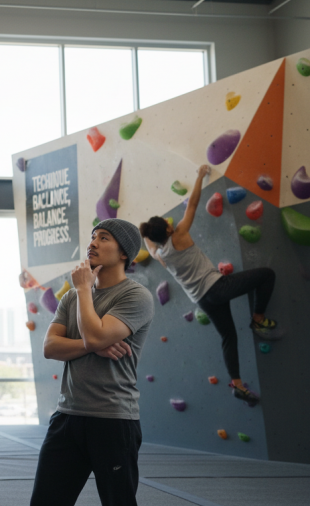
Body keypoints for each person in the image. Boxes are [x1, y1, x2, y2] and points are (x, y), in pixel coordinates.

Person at [31, 219, 154, 506]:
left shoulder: (136, 296)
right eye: (92, 236)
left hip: (112, 420)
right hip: (67, 416)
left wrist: (86, 291)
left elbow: (95, 336)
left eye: (104, 237)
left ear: (124, 252)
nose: (93, 243)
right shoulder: (71, 298)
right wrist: (91, 346)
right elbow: (50, 347)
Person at [140, 164, 277, 406]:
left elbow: (150, 247)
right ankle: (258, 318)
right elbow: (192, 204)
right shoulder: (180, 234)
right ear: (169, 228)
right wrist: (200, 176)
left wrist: (145, 234)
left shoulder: (161, 254)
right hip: (216, 287)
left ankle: (236, 384)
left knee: (228, 336)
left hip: (203, 299)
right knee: (266, 275)